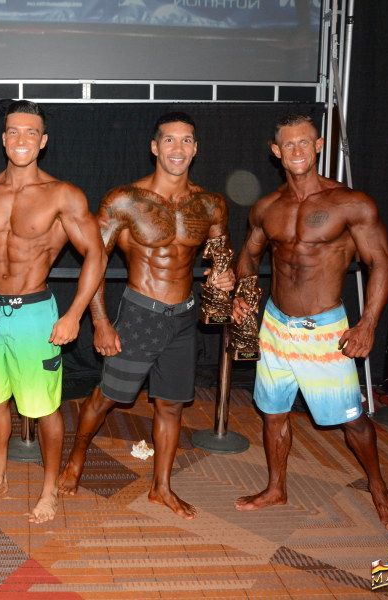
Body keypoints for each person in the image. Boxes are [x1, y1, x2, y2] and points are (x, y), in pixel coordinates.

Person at [57, 111, 235, 519]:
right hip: (140, 314)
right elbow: (96, 262)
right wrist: (100, 322)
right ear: (155, 147)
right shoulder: (124, 200)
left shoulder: (211, 204)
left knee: (171, 406)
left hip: (183, 318)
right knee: (106, 397)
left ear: (196, 148)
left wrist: (224, 279)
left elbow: (221, 259)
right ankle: (76, 456)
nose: (178, 148)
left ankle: (161, 487)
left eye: (186, 140)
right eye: (169, 140)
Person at [0, 100, 106, 523]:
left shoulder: (63, 196)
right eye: (14, 131)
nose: (21, 139)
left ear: (43, 141)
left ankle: (48, 490)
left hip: (34, 314)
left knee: (44, 408)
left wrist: (75, 314)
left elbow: (96, 254)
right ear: (3, 138)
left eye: (31, 132)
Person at [231, 114, 388, 531]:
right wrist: (243, 295)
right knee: (273, 412)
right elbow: (249, 256)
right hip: (275, 326)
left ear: (319, 145)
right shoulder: (267, 207)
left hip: (324, 330)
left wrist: (367, 324)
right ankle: (276, 488)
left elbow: (380, 263)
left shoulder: (350, 203)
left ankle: (379, 487)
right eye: (288, 144)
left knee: (352, 419)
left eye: (304, 142)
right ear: (276, 152)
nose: (296, 150)